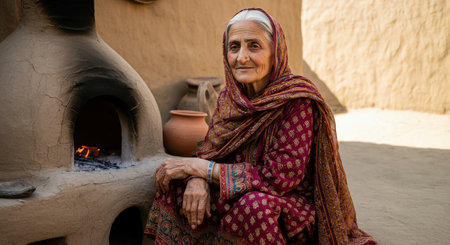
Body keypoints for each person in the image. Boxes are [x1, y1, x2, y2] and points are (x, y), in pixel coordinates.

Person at [145, 8, 377, 245]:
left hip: (288, 208)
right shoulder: (229, 98)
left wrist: (202, 169)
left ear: (275, 52)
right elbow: (210, 153)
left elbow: (280, 177)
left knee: (253, 206)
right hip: (237, 190)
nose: (241, 57)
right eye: (234, 47)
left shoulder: (296, 101)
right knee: (172, 181)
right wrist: (197, 179)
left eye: (254, 46)